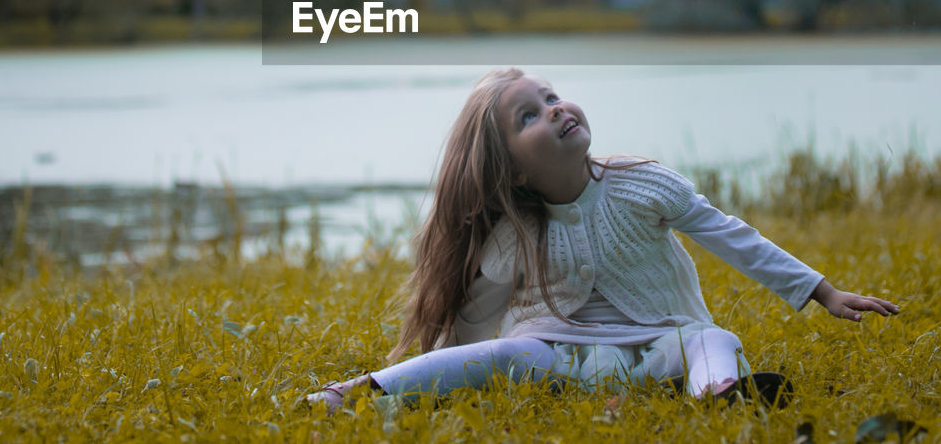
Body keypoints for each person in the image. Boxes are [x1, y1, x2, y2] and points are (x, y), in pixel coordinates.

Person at [308, 68, 898, 413]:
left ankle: (722, 393)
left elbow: (731, 236)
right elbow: (476, 318)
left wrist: (821, 291)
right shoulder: (517, 232)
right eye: (529, 118)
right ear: (512, 171)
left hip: (660, 346)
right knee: (507, 354)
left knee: (713, 337)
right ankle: (357, 392)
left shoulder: (643, 185)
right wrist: (466, 363)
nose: (555, 109)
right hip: (563, 354)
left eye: (550, 97)